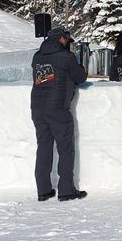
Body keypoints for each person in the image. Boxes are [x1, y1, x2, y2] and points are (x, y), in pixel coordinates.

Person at [30, 26, 88, 202]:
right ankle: (66, 190)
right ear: (62, 39)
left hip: (37, 107)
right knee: (65, 149)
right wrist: (80, 67)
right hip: (57, 108)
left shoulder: (37, 56)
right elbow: (80, 78)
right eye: (67, 41)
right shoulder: (66, 57)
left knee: (44, 147)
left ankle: (43, 190)